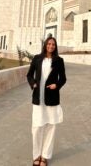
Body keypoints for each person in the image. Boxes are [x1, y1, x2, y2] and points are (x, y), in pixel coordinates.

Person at [27, 36, 67, 166]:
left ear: (55, 47)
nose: (51, 46)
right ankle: (36, 155)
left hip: (52, 97)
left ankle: (45, 156)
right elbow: (29, 74)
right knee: (37, 127)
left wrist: (57, 85)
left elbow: (63, 78)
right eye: (49, 44)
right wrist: (33, 84)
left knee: (51, 126)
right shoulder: (37, 58)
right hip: (38, 97)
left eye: (53, 44)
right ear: (45, 45)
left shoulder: (59, 60)